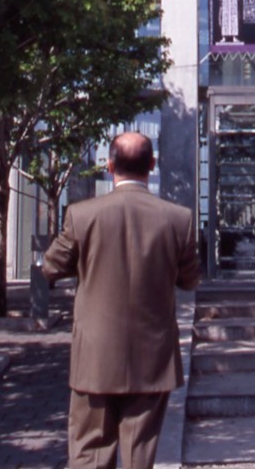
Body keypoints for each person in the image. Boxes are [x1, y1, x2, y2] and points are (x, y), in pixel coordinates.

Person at [42, 130, 201, 469]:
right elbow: (190, 280)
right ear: (152, 165)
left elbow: (51, 267)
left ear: (109, 166)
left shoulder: (82, 215)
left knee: (89, 453)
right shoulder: (179, 219)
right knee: (139, 454)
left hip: (95, 354)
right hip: (153, 354)